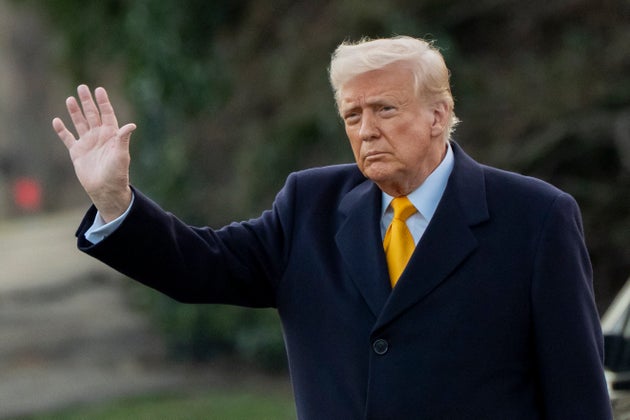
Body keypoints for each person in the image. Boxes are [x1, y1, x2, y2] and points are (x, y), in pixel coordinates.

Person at [52, 36, 612, 419]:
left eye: (384, 110)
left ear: (438, 115)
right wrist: (115, 200)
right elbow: (203, 266)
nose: (365, 130)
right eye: (352, 115)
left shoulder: (536, 218)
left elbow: (578, 395)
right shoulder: (310, 206)